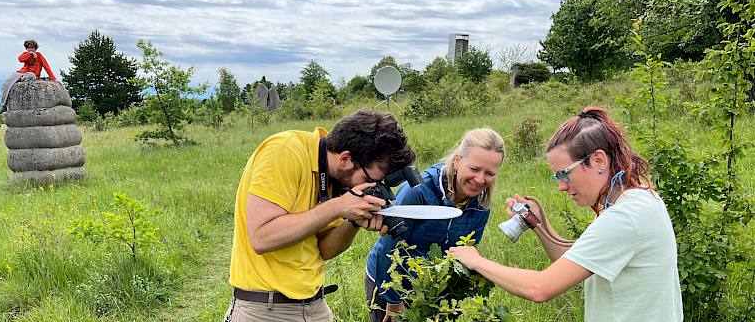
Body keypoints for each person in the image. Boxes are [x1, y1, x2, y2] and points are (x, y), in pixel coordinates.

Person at [449, 107, 683, 322]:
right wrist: (536, 222)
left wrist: (476, 261)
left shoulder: (625, 217)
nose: (561, 186)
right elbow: (571, 260)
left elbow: (540, 288)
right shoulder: (635, 200)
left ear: (598, 160)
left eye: (564, 174)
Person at [226, 110, 416, 322]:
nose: (370, 187)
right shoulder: (285, 150)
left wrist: (352, 221)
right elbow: (261, 237)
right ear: (345, 159)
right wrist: (337, 207)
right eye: (369, 179)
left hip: (314, 305)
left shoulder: (333, 177)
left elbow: (324, 249)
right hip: (263, 308)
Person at [365, 128, 505, 322]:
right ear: (457, 160)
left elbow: (465, 252)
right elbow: (387, 249)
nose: (480, 179)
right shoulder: (419, 191)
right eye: (474, 169)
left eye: (489, 173)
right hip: (390, 282)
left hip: (434, 288)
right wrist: (394, 300)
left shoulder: (481, 206)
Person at [0, 39, 57, 113]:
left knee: (31, 76)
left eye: (32, 48)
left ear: (35, 48)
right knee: (5, 83)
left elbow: (46, 67)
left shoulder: (39, 55)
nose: (30, 49)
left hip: (32, 74)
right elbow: (20, 59)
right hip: (22, 72)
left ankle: (19, 79)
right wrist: (30, 54)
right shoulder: (26, 54)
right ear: (26, 48)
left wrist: (53, 78)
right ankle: (4, 105)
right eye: (29, 48)